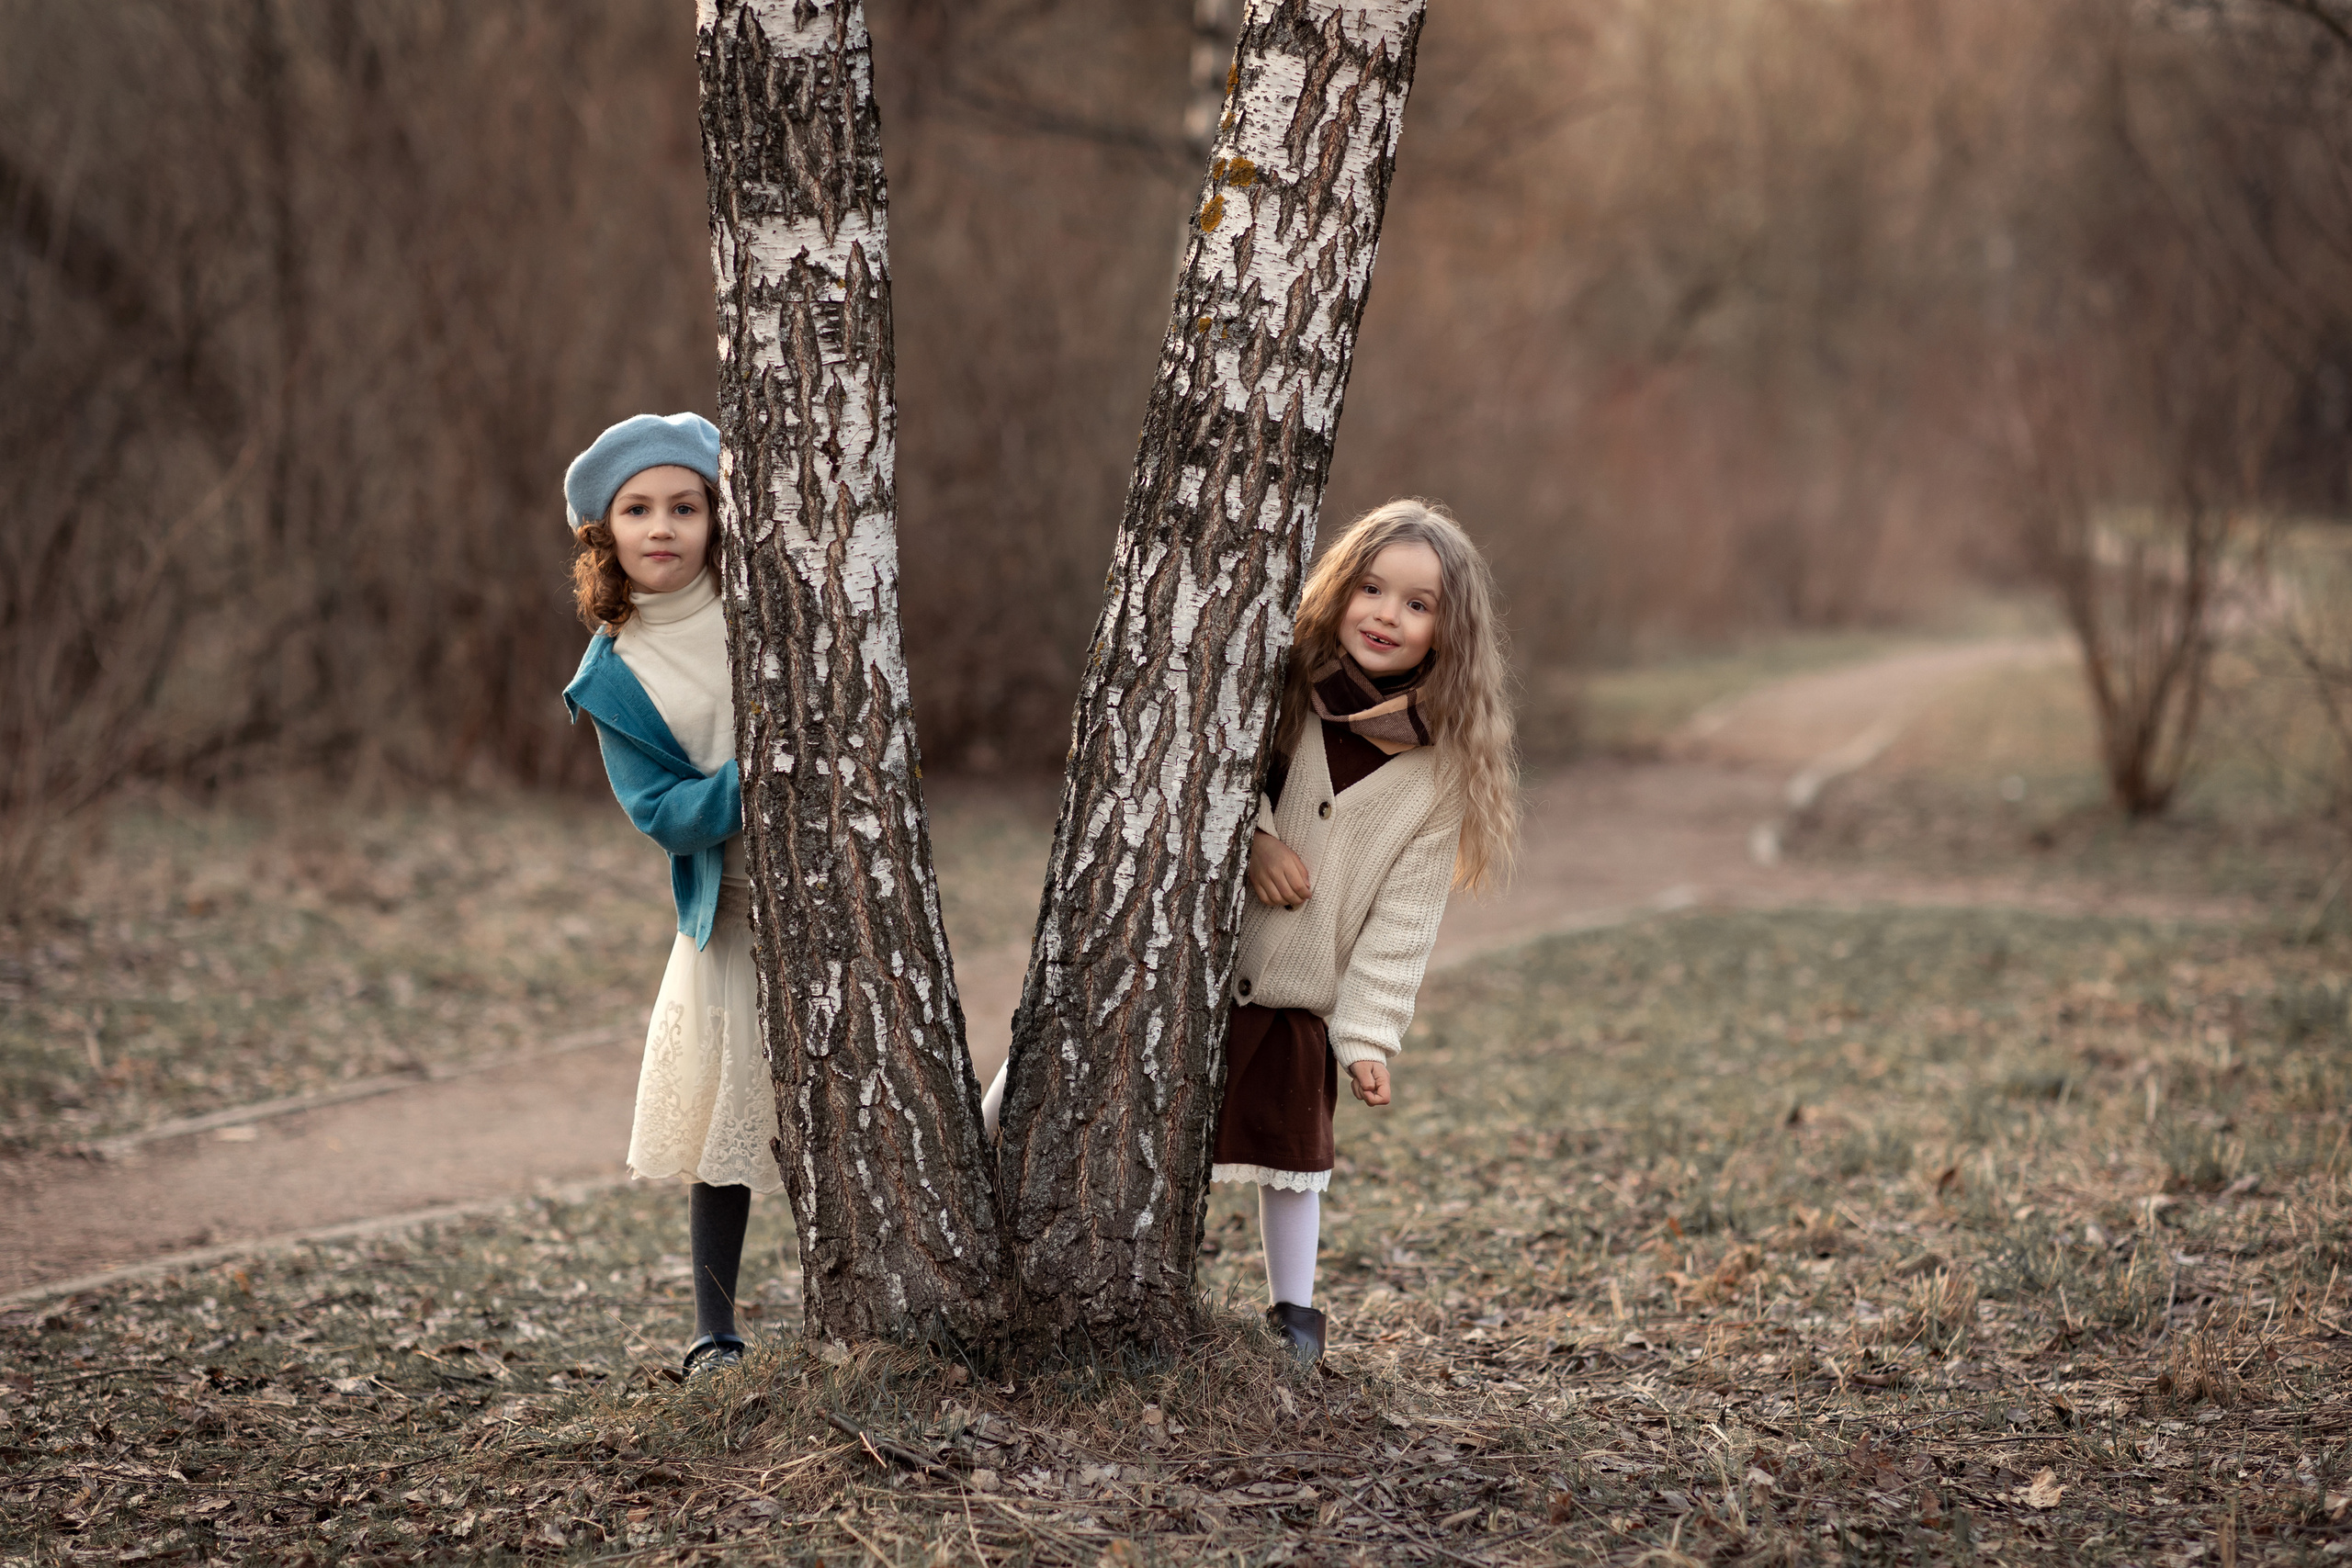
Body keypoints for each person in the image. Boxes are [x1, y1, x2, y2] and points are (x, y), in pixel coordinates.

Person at [1215, 498, 1517, 1361]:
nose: (1387, 614)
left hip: (1295, 993)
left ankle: (1295, 1319)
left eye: (1418, 604)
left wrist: (1368, 1036)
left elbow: (1405, 921)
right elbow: (1210, 780)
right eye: (1373, 588)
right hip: (1196, 973)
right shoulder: (1284, 694)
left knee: (1294, 1162)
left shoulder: (1436, 774)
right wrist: (1254, 842)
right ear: (1341, 590)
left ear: (1446, 634)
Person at [559, 412, 778, 1380]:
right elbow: (666, 813)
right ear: (604, 533)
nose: (663, 527)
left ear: (716, 519)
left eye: (685, 507)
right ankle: (715, 1331)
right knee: (725, 1133)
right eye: (638, 509)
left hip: (828, 902)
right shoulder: (616, 674)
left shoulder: (764, 603)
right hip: (729, 915)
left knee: (846, 1118)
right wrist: (761, 775)